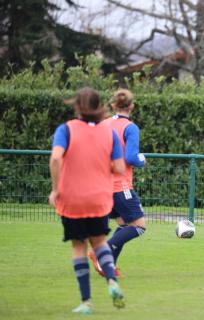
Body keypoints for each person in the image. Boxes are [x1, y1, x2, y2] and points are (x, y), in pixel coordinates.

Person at [48, 87, 126, 314]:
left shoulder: (66, 130)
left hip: (72, 199)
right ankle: (112, 281)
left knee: (79, 247)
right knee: (100, 242)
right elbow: (120, 168)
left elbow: (55, 159)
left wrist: (55, 189)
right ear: (99, 107)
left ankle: (87, 302)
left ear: (77, 107)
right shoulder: (108, 132)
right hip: (99, 198)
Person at [88, 89, 146, 277]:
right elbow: (130, 157)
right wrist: (142, 160)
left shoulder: (103, 124)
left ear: (113, 105)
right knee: (139, 226)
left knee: (123, 224)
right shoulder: (130, 128)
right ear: (132, 106)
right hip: (120, 186)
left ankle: (108, 266)